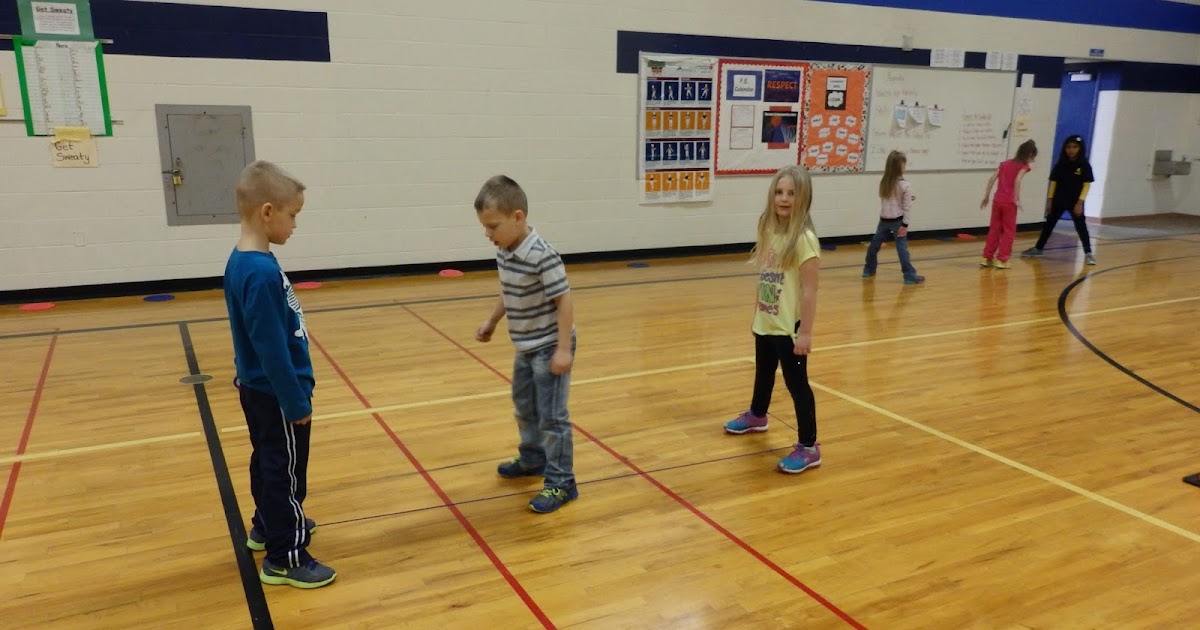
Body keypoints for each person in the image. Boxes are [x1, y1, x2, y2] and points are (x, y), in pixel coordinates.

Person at [224, 160, 334, 589]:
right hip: (277, 395)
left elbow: (249, 335)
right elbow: (270, 346)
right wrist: (294, 401)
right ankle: (286, 556)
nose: (295, 225)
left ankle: (267, 525)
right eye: (293, 215)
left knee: (268, 460)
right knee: (285, 472)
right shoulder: (261, 273)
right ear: (267, 212)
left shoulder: (242, 261)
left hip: (257, 389)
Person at [474, 175, 579, 513]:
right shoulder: (505, 251)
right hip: (525, 345)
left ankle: (562, 482)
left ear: (517, 217)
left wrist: (563, 350)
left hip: (549, 345)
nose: (488, 234)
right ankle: (533, 458)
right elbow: (508, 290)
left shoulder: (542, 254)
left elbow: (564, 300)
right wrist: (492, 321)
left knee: (552, 417)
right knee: (525, 407)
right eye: (485, 227)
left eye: (493, 226)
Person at [723, 165, 823, 474]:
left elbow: (809, 292)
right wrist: (758, 312)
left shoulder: (805, 239)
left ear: (803, 198)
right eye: (779, 192)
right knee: (763, 372)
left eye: (792, 193)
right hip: (766, 321)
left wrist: (805, 333)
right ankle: (758, 415)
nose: (784, 198)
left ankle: (809, 447)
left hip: (788, 328)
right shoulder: (768, 229)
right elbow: (766, 276)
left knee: (797, 384)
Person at [1021, 135, 1096, 265]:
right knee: (1049, 224)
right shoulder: (1061, 164)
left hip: (1075, 202)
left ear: (1080, 148)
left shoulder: (1084, 165)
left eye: (1075, 147)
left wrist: (1080, 203)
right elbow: (1054, 182)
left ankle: (1088, 253)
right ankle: (1038, 248)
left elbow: (1086, 185)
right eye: (1068, 147)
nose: (1071, 150)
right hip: (1058, 199)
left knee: (1081, 227)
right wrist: (1050, 200)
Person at [862, 150, 924, 284]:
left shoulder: (884, 182)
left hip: (884, 220)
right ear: (900, 166)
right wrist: (905, 224)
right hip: (898, 222)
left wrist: (908, 198)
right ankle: (909, 276)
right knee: (902, 249)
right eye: (904, 164)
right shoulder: (905, 185)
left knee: (874, 245)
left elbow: (890, 199)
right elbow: (907, 207)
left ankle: (868, 269)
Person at [979, 139, 1038, 269]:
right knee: (1008, 232)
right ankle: (1002, 259)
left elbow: (992, 178)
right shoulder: (1024, 167)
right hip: (1009, 203)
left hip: (997, 201)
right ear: (1029, 155)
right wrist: (1016, 199)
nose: (1032, 161)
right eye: (1033, 158)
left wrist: (986, 196)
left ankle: (986, 257)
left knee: (994, 230)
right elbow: (1017, 180)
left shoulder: (1004, 164)